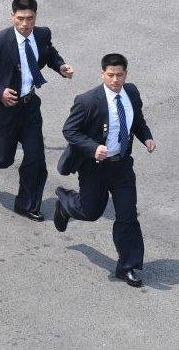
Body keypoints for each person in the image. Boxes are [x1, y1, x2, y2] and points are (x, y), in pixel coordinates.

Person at [0, 0, 74, 221]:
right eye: (20, 19)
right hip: (4, 109)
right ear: (12, 16)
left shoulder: (42, 34)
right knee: (2, 158)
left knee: (36, 159)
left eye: (30, 19)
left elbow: (49, 53)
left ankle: (26, 205)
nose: (25, 24)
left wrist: (60, 66)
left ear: (35, 17)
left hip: (29, 107)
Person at [54, 54, 155, 287]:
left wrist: (146, 138)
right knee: (91, 212)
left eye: (120, 75)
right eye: (110, 75)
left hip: (122, 167)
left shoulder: (131, 93)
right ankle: (66, 203)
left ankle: (127, 266)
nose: (115, 80)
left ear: (126, 74)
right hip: (95, 168)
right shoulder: (88, 100)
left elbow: (137, 121)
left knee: (127, 216)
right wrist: (93, 148)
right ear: (102, 74)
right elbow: (70, 131)